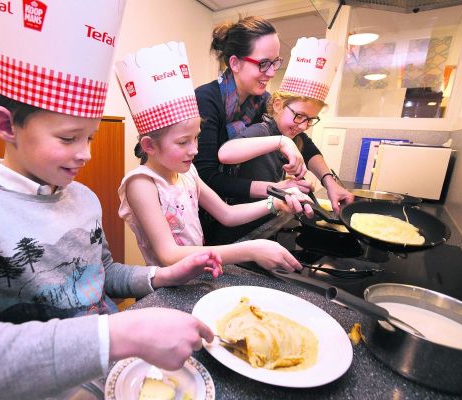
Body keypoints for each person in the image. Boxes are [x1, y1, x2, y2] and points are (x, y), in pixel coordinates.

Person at [0, 3, 223, 400]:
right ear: (5, 125)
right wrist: (117, 332)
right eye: (69, 138)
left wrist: (162, 277)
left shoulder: (82, 198)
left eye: (90, 137)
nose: (85, 153)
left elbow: (101, 274)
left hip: (112, 367)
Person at [115, 42, 313, 273]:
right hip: (166, 287)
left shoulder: (188, 173)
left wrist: (276, 201)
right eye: (182, 142)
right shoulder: (142, 184)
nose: (194, 150)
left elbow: (227, 214)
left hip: (200, 274)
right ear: (149, 145)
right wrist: (250, 249)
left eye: (196, 138)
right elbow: (168, 255)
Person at [193, 16, 310, 245]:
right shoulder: (207, 99)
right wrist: (274, 189)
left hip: (236, 209)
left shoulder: (261, 100)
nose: (271, 72)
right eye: (263, 63)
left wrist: (329, 180)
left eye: (275, 62)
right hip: (204, 215)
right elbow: (207, 177)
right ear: (235, 63)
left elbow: (296, 133)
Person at [218, 37, 354, 214]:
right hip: (241, 222)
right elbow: (226, 153)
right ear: (278, 105)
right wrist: (277, 188)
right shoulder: (263, 130)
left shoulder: (293, 136)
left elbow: (310, 151)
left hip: (266, 215)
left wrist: (328, 183)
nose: (304, 126)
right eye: (299, 116)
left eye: (311, 119)